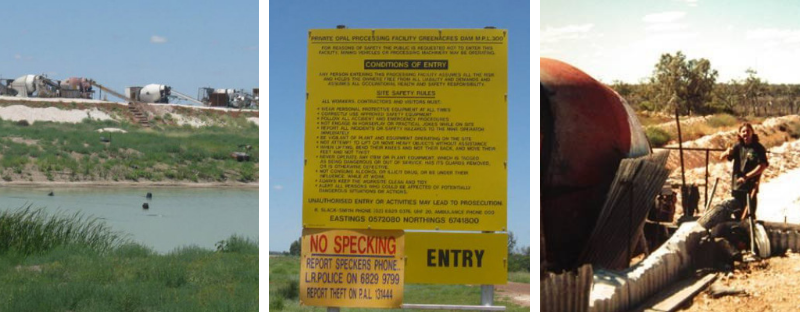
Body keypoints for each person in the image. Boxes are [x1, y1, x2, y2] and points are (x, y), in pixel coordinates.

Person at [719, 123, 769, 220]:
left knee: (749, 215)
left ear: (752, 132)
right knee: (737, 215)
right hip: (737, 187)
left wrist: (747, 177)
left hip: (750, 187)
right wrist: (726, 152)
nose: (745, 133)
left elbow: (762, 166)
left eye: (748, 131)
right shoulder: (737, 147)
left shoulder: (758, 148)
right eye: (743, 131)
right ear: (740, 134)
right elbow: (721, 159)